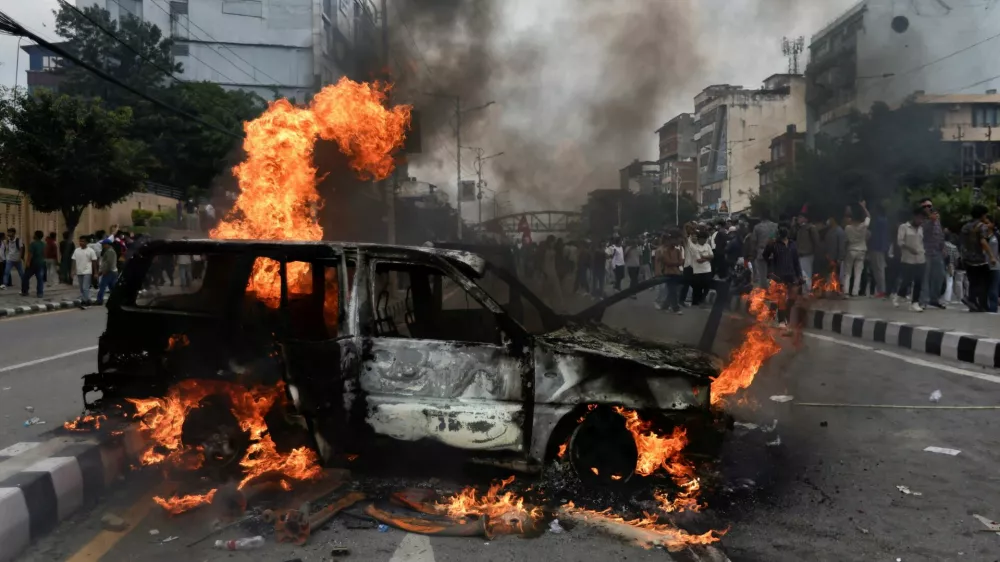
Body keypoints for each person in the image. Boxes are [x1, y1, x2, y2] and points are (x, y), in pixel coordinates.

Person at [763, 226, 803, 327]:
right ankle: (780, 320)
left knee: (792, 297)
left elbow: (796, 261)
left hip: (791, 274)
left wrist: (799, 275)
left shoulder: (793, 244)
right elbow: (765, 256)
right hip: (778, 275)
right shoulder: (774, 244)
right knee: (780, 298)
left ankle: (785, 317)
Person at [960, 204, 997, 312]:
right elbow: (983, 241)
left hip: (967, 259)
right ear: (982, 214)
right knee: (984, 282)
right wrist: (991, 256)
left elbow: (962, 242)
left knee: (973, 281)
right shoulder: (982, 226)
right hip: (979, 259)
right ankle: (980, 303)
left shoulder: (965, 226)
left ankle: (972, 301)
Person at [894, 208, 926, 312]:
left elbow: (921, 242)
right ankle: (899, 295)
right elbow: (900, 241)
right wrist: (909, 248)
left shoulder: (921, 229)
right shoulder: (904, 227)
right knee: (907, 280)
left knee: (919, 281)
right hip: (908, 258)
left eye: (922, 219)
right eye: (919, 218)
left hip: (920, 258)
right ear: (914, 217)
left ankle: (915, 303)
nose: (921, 221)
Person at [920, 207, 947, 309]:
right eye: (934, 214)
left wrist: (943, 247)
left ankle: (934, 299)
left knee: (939, 275)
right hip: (926, 252)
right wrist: (931, 220)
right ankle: (923, 300)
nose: (936, 216)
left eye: (937, 214)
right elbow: (922, 232)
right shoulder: (925, 223)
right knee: (925, 277)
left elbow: (940, 236)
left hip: (937, 252)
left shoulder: (938, 224)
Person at [842, 201, 870, 297]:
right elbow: (869, 217)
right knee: (858, 272)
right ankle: (855, 292)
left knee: (848, 272)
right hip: (862, 250)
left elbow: (845, 241)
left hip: (851, 250)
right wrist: (863, 207)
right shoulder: (863, 226)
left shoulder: (848, 228)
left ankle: (846, 291)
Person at [655, 232, 684, 314]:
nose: (677, 241)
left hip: (677, 272)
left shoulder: (678, 250)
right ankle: (676, 308)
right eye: (675, 240)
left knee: (674, 290)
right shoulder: (663, 250)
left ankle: (665, 305)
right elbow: (667, 262)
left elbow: (681, 261)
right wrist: (677, 263)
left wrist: (677, 263)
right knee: (672, 290)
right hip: (668, 273)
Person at [749, 211, 777, 288]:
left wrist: (753, 253)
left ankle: (765, 292)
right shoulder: (775, 226)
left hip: (761, 252)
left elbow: (754, 241)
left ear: (761, 217)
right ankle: (774, 291)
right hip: (774, 252)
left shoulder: (757, 227)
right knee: (774, 273)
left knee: (762, 275)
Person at [794, 211, 820, 293]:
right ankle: (805, 289)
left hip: (808, 254)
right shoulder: (799, 228)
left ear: (805, 219)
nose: (798, 219)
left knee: (806, 273)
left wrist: (816, 252)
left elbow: (816, 241)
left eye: (800, 217)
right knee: (803, 273)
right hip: (800, 254)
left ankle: (808, 289)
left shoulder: (811, 228)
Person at [687, 229, 714, 306]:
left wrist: (704, 256)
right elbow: (699, 260)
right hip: (698, 270)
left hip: (707, 270)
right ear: (699, 239)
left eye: (706, 239)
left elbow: (712, 256)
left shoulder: (708, 246)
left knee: (707, 285)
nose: (705, 240)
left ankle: (702, 299)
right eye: (703, 239)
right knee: (697, 287)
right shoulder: (695, 247)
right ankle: (695, 302)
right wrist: (707, 258)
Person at [868, 204, 890, 298]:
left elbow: (874, 234)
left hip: (876, 247)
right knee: (880, 269)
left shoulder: (878, 221)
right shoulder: (885, 220)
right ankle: (881, 290)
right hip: (882, 247)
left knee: (878, 269)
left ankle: (881, 290)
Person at [71, 235, 98, 309]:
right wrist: (73, 271)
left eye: (83, 241)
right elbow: (74, 260)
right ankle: (88, 300)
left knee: (85, 287)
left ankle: (84, 302)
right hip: (79, 271)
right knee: (81, 288)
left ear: (86, 242)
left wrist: (95, 272)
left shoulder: (91, 251)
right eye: (80, 241)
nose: (81, 243)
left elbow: (94, 261)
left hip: (87, 271)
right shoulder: (77, 250)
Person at [823, 215, 847, 294]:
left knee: (837, 276)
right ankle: (831, 290)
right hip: (829, 258)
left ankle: (838, 291)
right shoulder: (830, 231)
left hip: (836, 258)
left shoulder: (839, 231)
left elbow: (841, 246)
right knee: (830, 275)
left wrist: (840, 258)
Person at [22, 230, 45, 298]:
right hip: (41, 263)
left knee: (25, 277)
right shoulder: (43, 244)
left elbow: (30, 254)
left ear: (36, 236)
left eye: (34, 234)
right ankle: (40, 293)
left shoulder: (33, 244)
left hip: (33, 264)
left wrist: (28, 262)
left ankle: (25, 291)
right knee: (40, 279)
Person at [96, 238, 118, 305]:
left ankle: (99, 300)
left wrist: (104, 271)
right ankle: (116, 300)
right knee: (112, 287)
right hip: (112, 271)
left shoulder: (110, 251)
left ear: (107, 244)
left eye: (104, 244)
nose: (102, 245)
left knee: (102, 286)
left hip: (109, 272)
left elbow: (109, 263)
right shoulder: (109, 251)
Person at [987, 218, 999, 313]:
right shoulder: (982, 236)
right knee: (985, 288)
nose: (985, 225)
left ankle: (993, 308)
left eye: (988, 222)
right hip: (983, 265)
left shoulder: (997, 236)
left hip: (995, 266)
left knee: (993, 289)